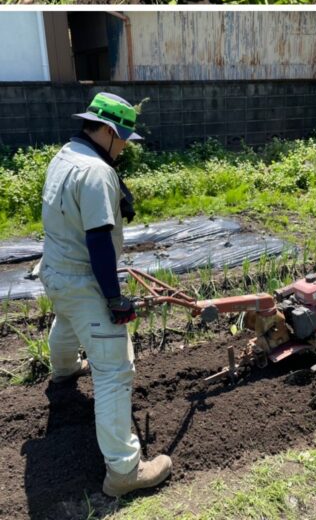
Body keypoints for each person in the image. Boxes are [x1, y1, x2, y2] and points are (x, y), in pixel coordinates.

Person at [39, 93, 172, 498]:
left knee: (67, 320)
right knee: (115, 369)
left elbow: (76, 208)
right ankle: (124, 471)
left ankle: (63, 372)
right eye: (125, 139)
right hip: (83, 278)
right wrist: (114, 299)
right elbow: (99, 241)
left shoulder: (66, 154)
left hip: (55, 270)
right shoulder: (97, 172)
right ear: (111, 133)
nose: (126, 147)